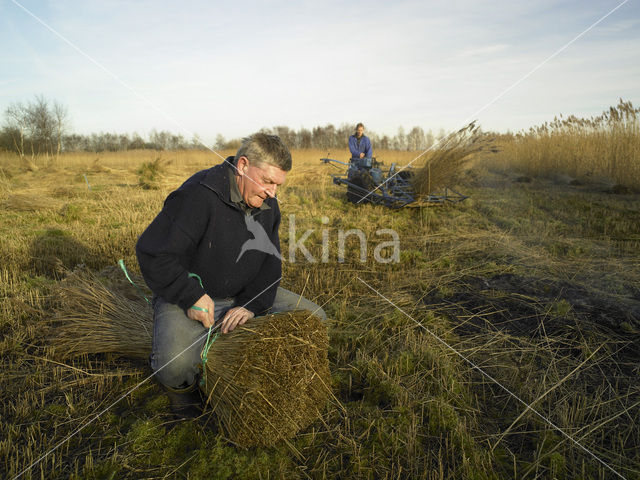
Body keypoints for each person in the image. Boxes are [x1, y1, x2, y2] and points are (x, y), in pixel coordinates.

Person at [136, 133, 326, 418]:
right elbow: (153, 253)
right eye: (268, 181)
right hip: (190, 297)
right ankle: (183, 395)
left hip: (242, 294)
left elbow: (270, 265)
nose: (273, 193)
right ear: (243, 166)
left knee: (316, 319)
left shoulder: (268, 204)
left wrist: (251, 304)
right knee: (172, 365)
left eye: (278, 185)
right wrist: (192, 295)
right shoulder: (198, 196)